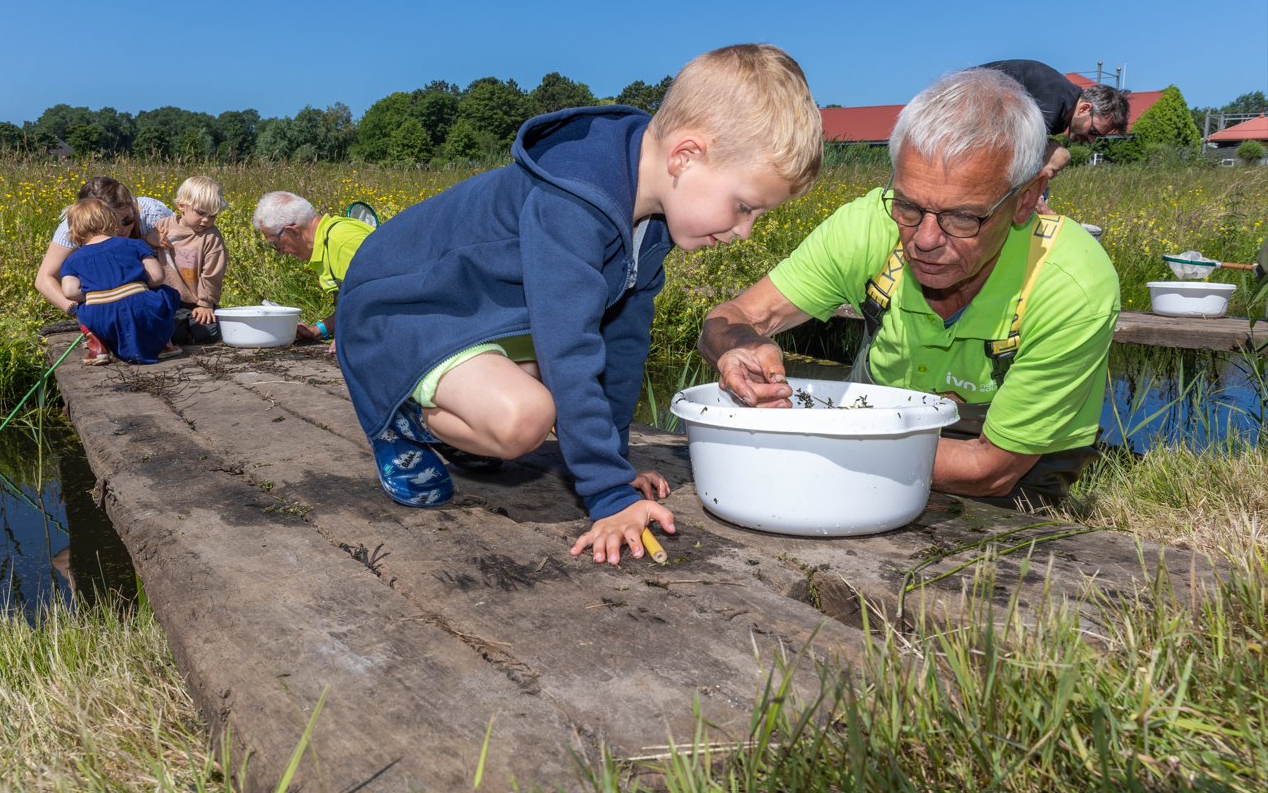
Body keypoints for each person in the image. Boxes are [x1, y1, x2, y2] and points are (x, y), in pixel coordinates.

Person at [335, 44, 823, 565]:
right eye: (744, 206)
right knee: (526, 415)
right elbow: (568, 349)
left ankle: (451, 418)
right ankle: (400, 420)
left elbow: (621, 342)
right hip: (400, 313)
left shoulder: (649, 219)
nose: (744, 232)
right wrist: (609, 497)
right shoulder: (575, 201)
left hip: (471, 316)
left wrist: (613, 462)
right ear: (685, 156)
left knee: (555, 387)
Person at [698, 67, 1119, 511]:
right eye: (908, 206)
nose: (925, 240)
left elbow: (990, 470)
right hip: (876, 428)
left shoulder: (1074, 286)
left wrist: (818, 442)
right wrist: (737, 346)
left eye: (963, 217)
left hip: (1014, 462)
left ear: (1027, 199)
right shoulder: (868, 225)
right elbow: (735, 315)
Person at [35, 175, 176, 363]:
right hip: (142, 303)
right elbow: (44, 278)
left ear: (134, 207)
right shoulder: (73, 224)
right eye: (115, 225)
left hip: (100, 314)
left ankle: (97, 339)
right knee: (165, 294)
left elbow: (69, 290)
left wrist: (93, 303)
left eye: (127, 220)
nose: (122, 231)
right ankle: (161, 340)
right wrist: (76, 312)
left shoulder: (153, 212)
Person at [59, 199, 182, 364]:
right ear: (112, 220)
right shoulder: (134, 244)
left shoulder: (71, 260)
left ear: (74, 229)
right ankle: (162, 344)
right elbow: (158, 276)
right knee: (167, 293)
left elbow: (70, 292)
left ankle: (98, 347)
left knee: (82, 307)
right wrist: (141, 287)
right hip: (142, 310)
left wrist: (96, 294)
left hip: (101, 320)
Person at [978, 60, 1131, 193]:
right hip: (969, 99)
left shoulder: (1061, 117)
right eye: (1093, 131)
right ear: (1084, 109)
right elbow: (1018, 162)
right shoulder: (1052, 104)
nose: (1091, 140)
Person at [252, 192, 377, 343]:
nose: (280, 252)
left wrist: (349, 338)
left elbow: (381, 299)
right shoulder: (327, 242)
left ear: (293, 231)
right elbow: (354, 306)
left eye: (276, 244)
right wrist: (317, 331)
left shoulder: (342, 243)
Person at [155, 176, 228, 344]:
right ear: (182, 206)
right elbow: (147, 253)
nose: (206, 220)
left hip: (196, 300)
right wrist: (150, 239)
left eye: (213, 215)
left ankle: (210, 316)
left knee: (208, 335)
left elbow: (212, 273)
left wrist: (206, 303)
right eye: (200, 213)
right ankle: (185, 329)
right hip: (168, 299)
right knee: (174, 335)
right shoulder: (162, 226)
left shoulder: (211, 236)